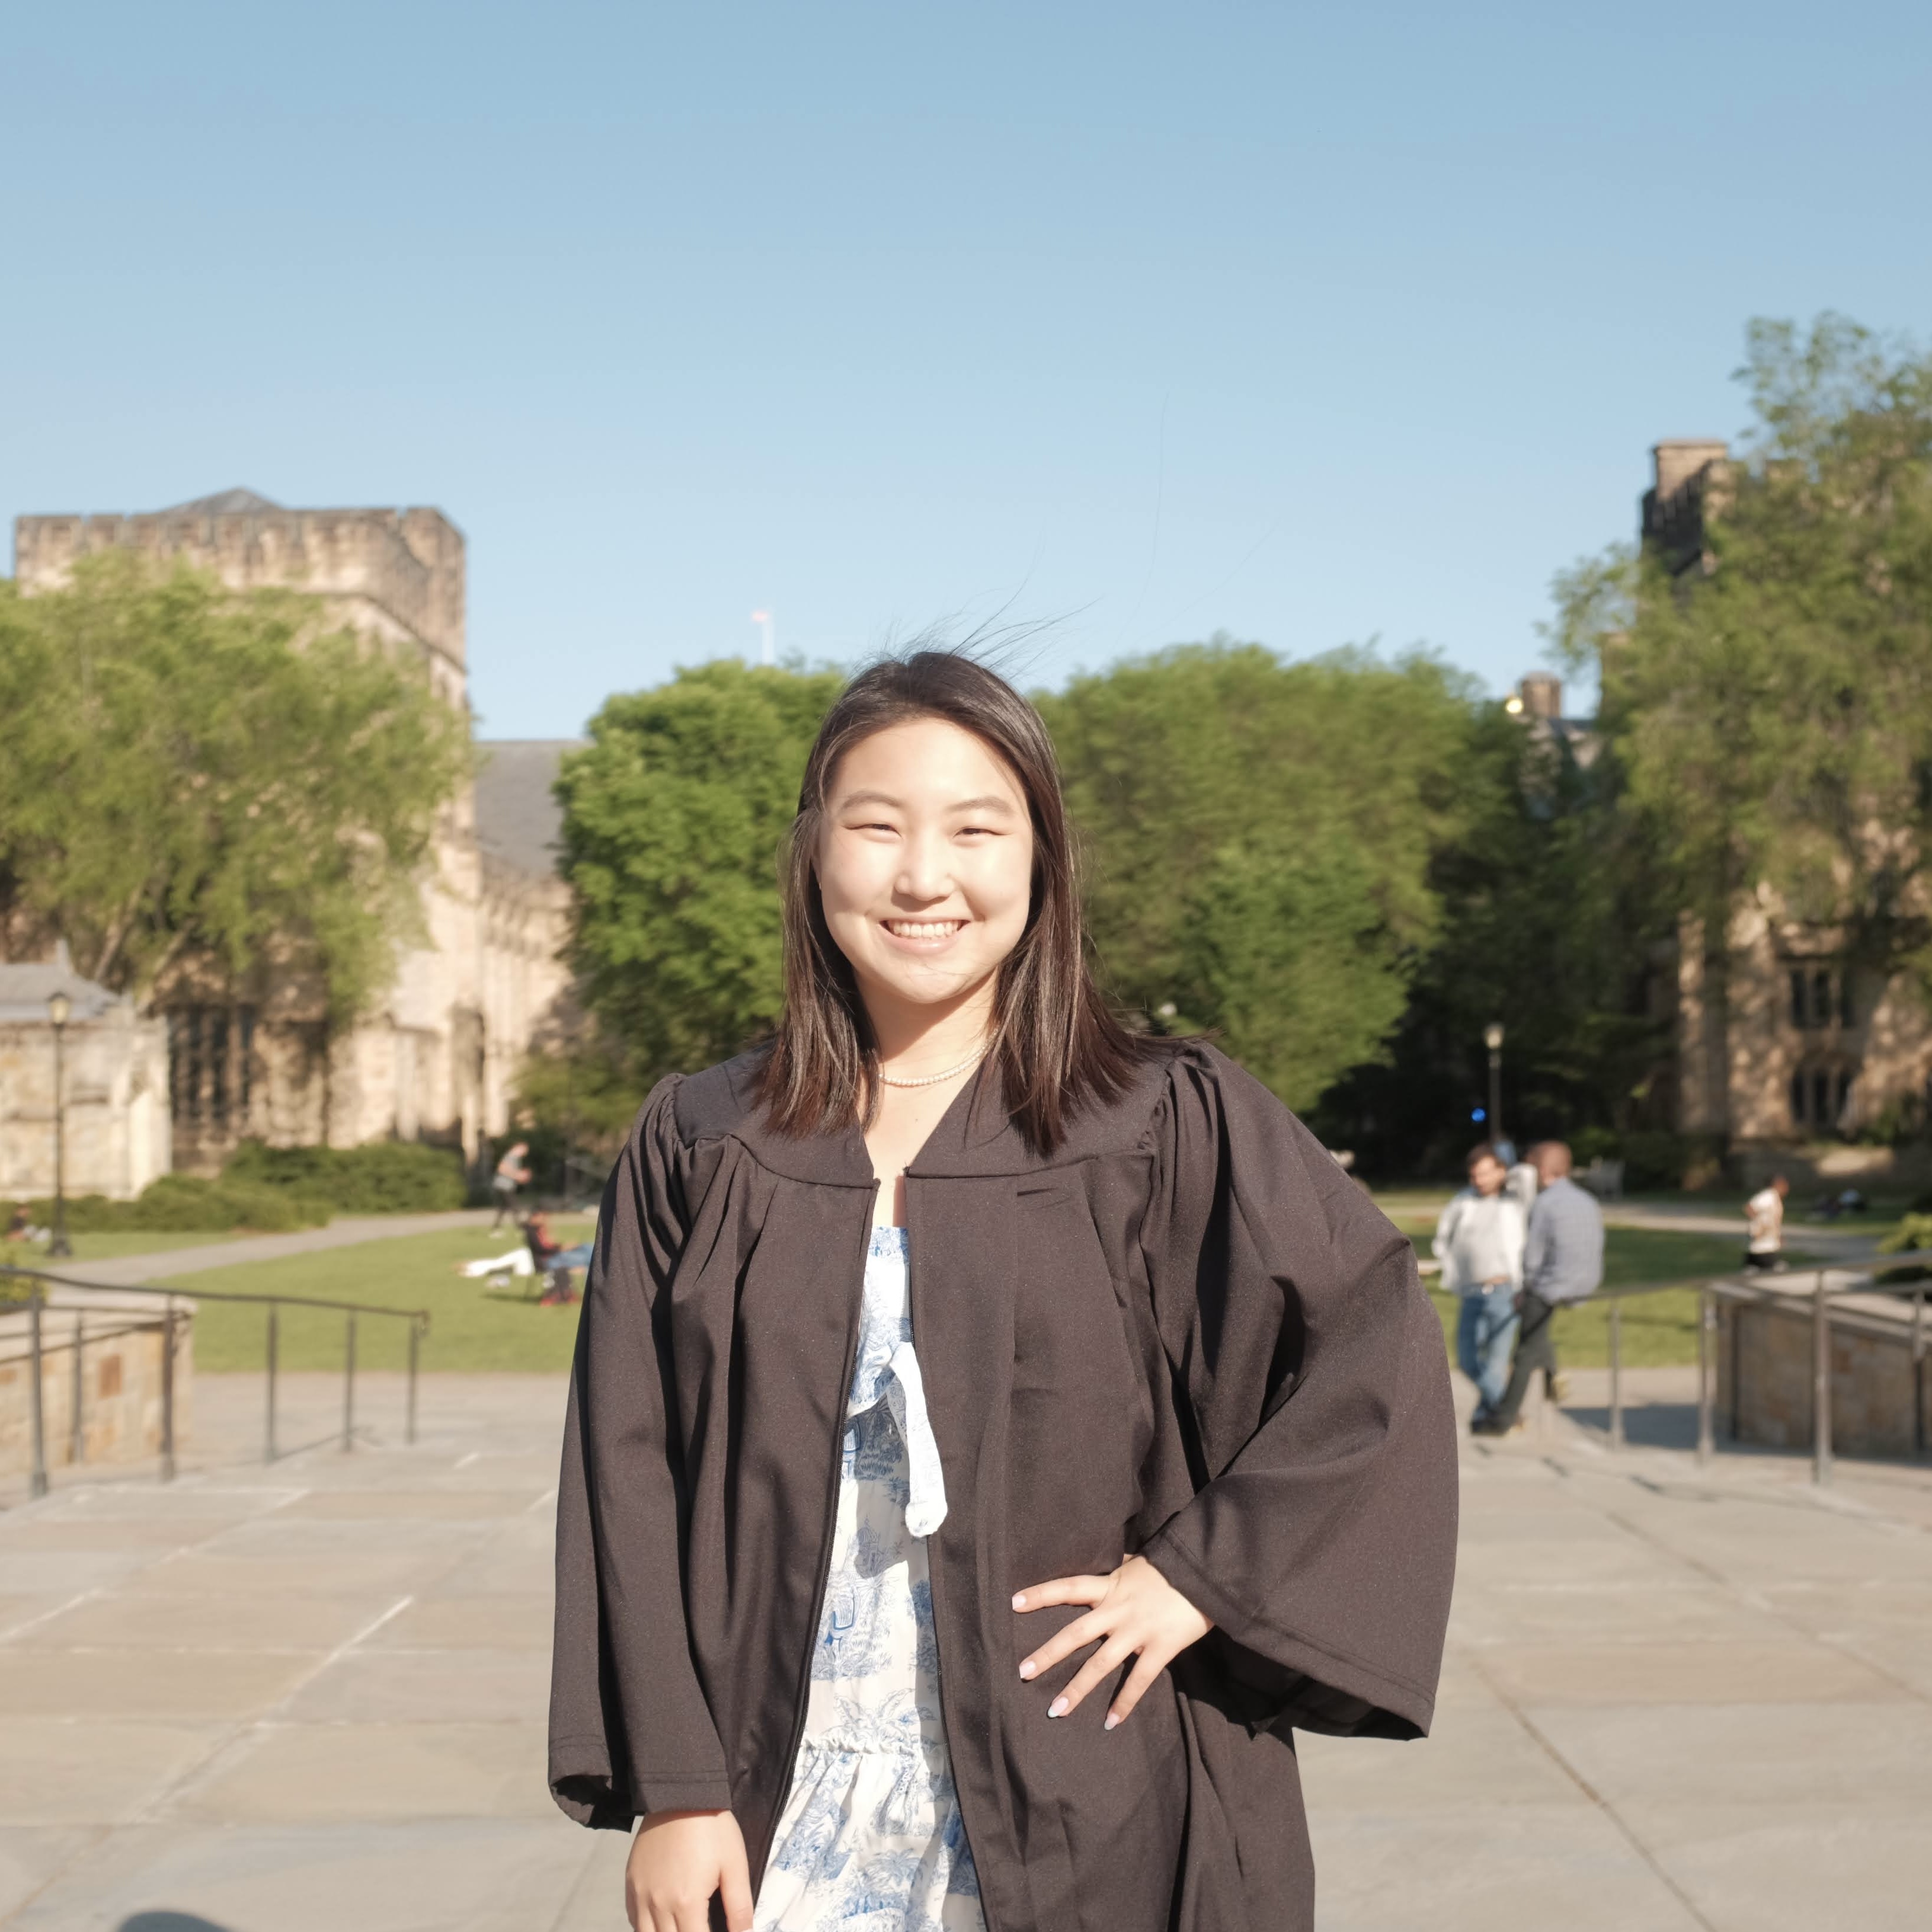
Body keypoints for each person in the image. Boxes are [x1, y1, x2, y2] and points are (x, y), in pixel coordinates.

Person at [549, 652, 1458, 1932]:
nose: (925, 876)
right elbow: (626, 1473)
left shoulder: (1162, 1118)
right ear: (814, 854)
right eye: (877, 825)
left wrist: (1200, 1575)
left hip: (1100, 1790)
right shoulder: (704, 1140)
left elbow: (1372, 1341)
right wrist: (676, 1788)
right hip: (778, 1802)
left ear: (1040, 860)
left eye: (978, 828)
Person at [1472, 1141, 1604, 1437]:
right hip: (1585, 1282)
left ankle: (1502, 1420)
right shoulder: (1587, 1200)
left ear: (1543, 1171)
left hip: (1551, 1287)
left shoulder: (1546, 1204)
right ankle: (1554, 1377)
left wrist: (1523, 1289)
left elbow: (1533, 1257)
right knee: (1538, 1333)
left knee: (1524, 1354)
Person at [1434, 1142, 1527, 1428]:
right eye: (1475, 1175)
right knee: (1467, 1359)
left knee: (1496, 1362)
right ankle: (1504, 1410)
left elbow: (1528, 1175)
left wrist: (1509, 1174)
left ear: (1502, 1172)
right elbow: (1444, 1238)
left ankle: (1490, 1415)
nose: (1480, 1181)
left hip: (1505, 1292)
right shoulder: (1464, 1201)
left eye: (1486, 1174)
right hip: (1473, 1291)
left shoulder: (1515, 1202)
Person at [527, 1208, 595, 1306]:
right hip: (550, 1260)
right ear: (535, 1217)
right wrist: (562, 1248)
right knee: (591, 1257)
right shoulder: (532, 1232)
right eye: (543, 1218)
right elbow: (542, 1250)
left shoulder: (539, 1230)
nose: (545, 1220)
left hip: (556, 1256)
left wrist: (566, 1246)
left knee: (587, 1246)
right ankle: (593, 1291)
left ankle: (592, 1290)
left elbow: (550, 1245)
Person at [1744, 1174, 1789, 1272]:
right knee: (1775, 1266)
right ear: (1778, 1185)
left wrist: (1779, 1235)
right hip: (1764, 1240)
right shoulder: (1768, 1195)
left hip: (1770, 1241)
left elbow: (1775, 1219)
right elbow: (1750, 1208)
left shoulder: (1775, 1197)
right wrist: (1760, 1223)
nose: (1787, 1189)